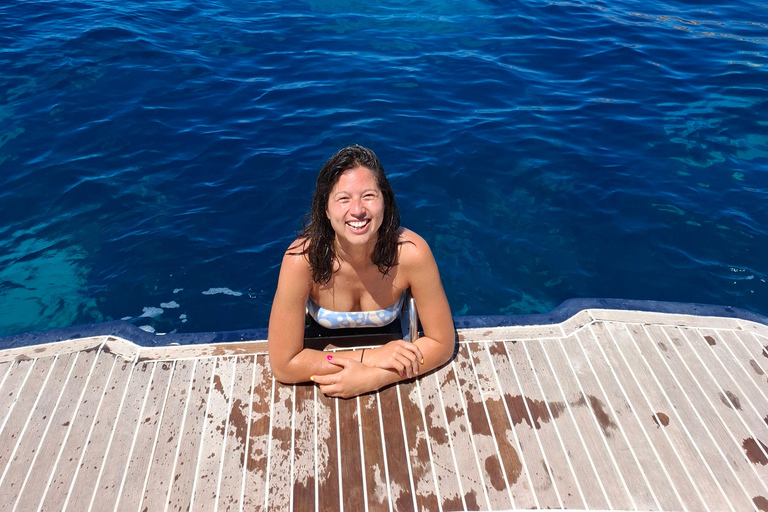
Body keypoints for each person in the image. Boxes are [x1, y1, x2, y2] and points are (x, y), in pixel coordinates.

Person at [268, 145, 455, 398]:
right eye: (343, 198)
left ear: (385, 202)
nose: (357, 210)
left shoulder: (412, 254)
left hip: (385, 356)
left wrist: (375, 378)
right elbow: (283, 364)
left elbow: (442, 344)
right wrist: (373, 357)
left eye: (368, 196)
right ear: (326, 209)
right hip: (346, 347)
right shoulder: (302, 261)